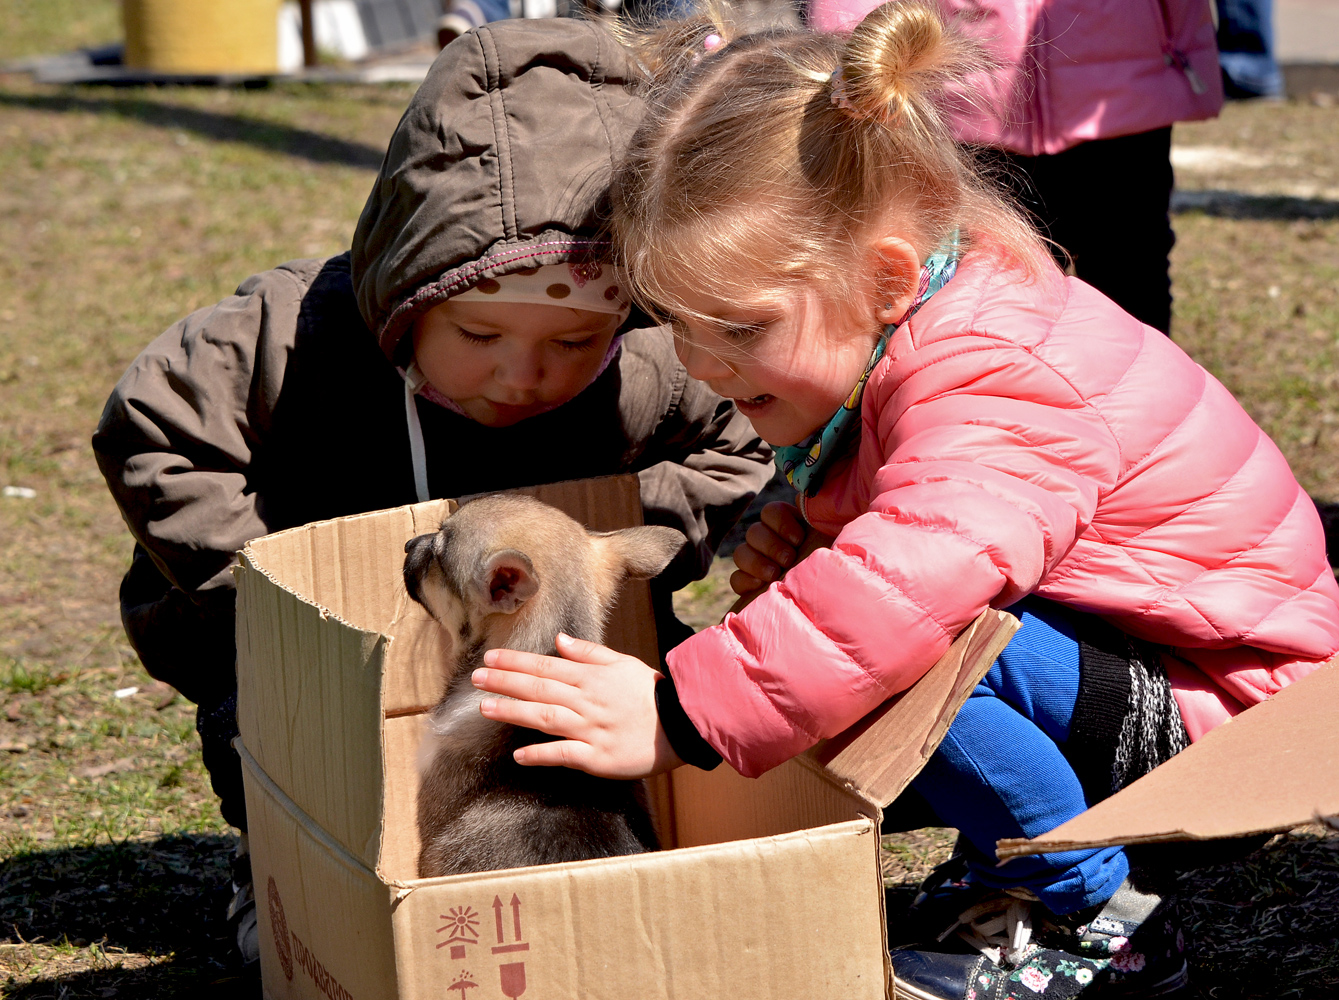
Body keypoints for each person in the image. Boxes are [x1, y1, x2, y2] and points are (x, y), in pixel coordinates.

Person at [465, 6, 1339, 999]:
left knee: (893, 643)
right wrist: (813, 533)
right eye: (680, 327)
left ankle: (1094, 913)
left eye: (740, 327)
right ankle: (1012, 870)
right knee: (859, 639)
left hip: (1233, 710)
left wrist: (679, 712)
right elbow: (927, 524)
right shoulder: (920, 317)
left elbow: (906, 582)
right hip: (1154, 667)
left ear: (881, 274)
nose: (705, 367)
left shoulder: (991, 368)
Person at [92, 18, 772, 969]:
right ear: (411, 285)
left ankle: (586, 875)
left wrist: (611, 531)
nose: (524, 375)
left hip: (530, 651)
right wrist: (264, 592)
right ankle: (279, 858)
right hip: (304, 649)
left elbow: (735, 449)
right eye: (480, 334)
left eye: (572, 343)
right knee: (269, 723)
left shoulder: (649, 364)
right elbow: (156, 426)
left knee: (629, 719)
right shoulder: (295, 339)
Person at [806, 0, 1225, 336]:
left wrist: (1184, 46)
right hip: (963, 102)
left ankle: (1138, 429)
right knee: (984, 298)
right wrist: (853, 56)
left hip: (1122, 93)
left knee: (1132, 276)